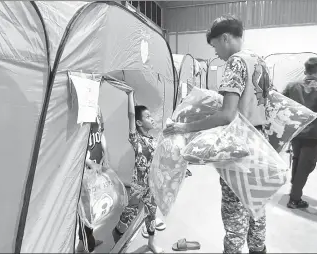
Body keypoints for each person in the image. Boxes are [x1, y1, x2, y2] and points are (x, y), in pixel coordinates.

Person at [164, 15, 270, 254]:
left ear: (225, 38)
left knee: (234, 215)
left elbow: (227, 115)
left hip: (238, 148)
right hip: (260, 145)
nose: (217, 54)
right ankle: (258, 249)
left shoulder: (235, 62)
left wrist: (185, 127)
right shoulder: (259, 61)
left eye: (215, 47)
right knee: (257, 206)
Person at [114, 91, 165, 253]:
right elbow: (130, 115)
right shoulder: (136, 139)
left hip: (152, 186)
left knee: (151, 214)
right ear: (139, 122)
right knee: (129, 213)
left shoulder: (154, 140)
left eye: (151, 116)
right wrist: (130, 95)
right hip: (138, 186)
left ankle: (151, 242)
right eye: (148, 116)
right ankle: (117, 235)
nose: (152, 118)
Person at [283, 57, 317, 209]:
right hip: (313, 134)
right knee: (306, 166)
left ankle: (295, 190)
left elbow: (280, 103)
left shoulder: (291, 86)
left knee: (297, 162)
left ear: (305, 71)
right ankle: (294, 199)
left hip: (296, 131)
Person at [77, 112, 109, 253]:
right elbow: (77, 144)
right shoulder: (82, 110)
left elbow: (101, 133)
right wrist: (90, 163)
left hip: (96, 167)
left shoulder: (97, 109)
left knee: (91, 207)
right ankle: (87, 246)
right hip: (84, 171)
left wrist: (105, 155)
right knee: (86, 211)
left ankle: (84, 243)